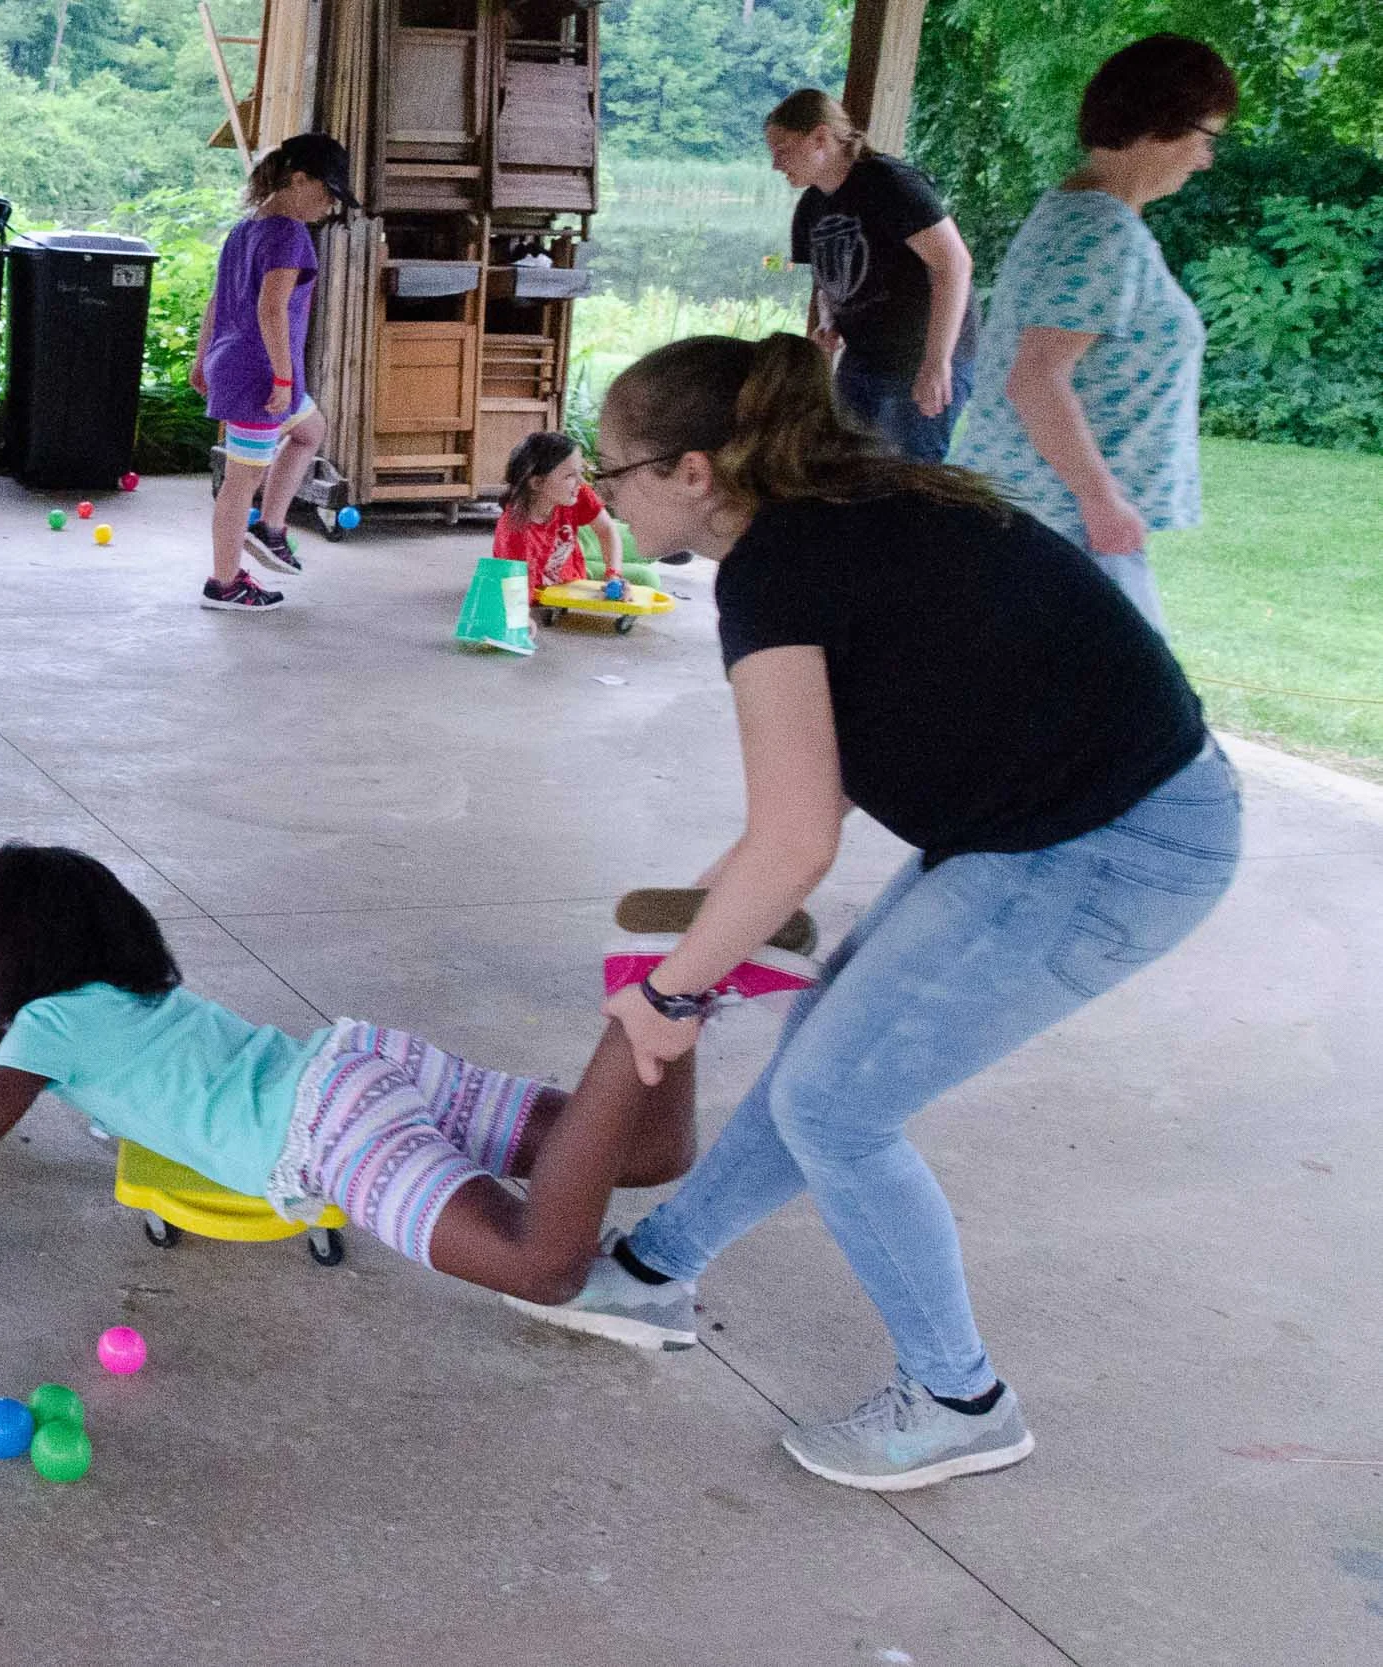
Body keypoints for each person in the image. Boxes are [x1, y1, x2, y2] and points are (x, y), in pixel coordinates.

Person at [514, 333, 1239, 1493]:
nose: (602, 494)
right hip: (1052, 818)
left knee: (836, 1104)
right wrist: (700, 929)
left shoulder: (778, 568)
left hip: (1107, 843)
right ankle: (654, 1271)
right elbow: (822, 787)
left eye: (614, 469)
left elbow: (799, 837)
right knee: (824, 1057)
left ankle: (959, 1400)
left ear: (693, 472)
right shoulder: (841, 514)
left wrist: (671, 991)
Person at [0, 845, 809, 1306]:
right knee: (651, 1149)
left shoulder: (50, 1024)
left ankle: (655, 987)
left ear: (11, 951)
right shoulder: (110, 998)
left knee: (544, 1265)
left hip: (325, 1131)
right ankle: (697, 972)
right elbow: (11, 1059)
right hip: (360, 1060)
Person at [954, 35, 1237, 636]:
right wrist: (1101, 500)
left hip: (1040, 522)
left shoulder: (1073, 210)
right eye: (1205, 137)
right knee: (1135, 691)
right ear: (1161, 125)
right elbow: (1036, 379)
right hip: (1060, 528)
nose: (1206, 159)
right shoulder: (1102, 232)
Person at [765, 89, 976, 462]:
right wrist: (829, 319)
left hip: (922, 356)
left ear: (820, 137)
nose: (775, 164)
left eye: (782, 150)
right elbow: (827, 284)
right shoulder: (811, 207)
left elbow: (954, 264)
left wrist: (937, 361)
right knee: (842, 465)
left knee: (908, 475)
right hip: (865, 359)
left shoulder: (890, 184)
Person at [191, 134, 355, 612]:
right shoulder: (288, 234)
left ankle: (270, 526)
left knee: (310, 431)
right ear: (298, 179)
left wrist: (202, 358)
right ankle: (224, 584)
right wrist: (283, 379)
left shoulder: (245, 230)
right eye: (327, 192)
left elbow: (217, 301)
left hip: (240, 365)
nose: (330, 206)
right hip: (261, 377)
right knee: (240, 483)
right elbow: (271, 308)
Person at [494, 431, 656, 595]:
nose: (582, 482)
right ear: (537, 483)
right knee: (646, 578)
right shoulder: (513, 534)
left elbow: (606, 529)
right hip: (557, 584)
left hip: (573, 564)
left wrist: (613, 575)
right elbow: (515, 597)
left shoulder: (576, 494)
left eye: (580, 472)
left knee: (648, 551)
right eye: (570, 475)